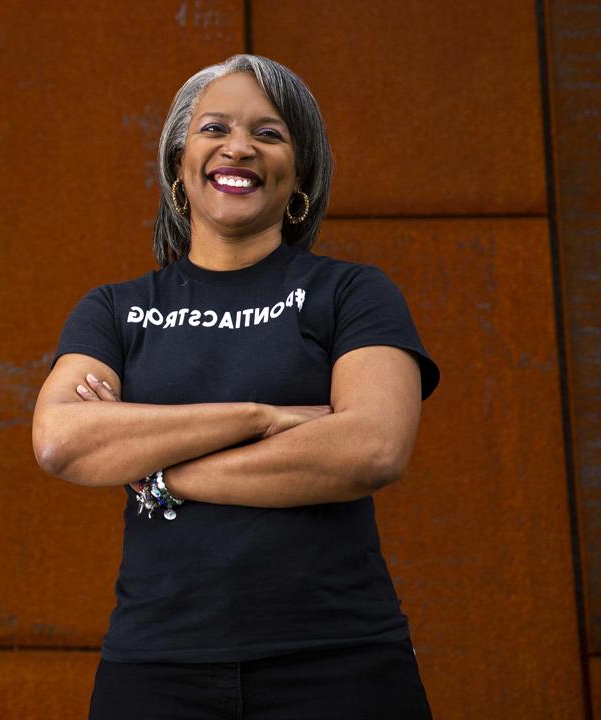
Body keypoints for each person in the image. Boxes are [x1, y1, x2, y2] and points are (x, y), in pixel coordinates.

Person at [31, 54, 440, 719]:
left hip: (340, 662)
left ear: (299, 172)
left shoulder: (353, 294)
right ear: (177, 166)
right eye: (213, 127)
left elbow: (372, 447)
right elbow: (62, 442)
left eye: (270, 133)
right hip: (156, 667)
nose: (239, 147)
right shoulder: (114, 311)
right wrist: (265, 416)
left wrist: (163, 473)